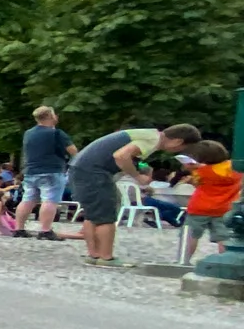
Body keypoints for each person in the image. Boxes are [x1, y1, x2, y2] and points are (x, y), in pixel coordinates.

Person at [67, 122, 202, 265]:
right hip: (95, 172)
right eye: (183, 148)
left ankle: (94, 255)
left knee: (93, 213)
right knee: (106, 215)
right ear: (178, 141)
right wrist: (137, 176)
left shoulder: (149, 134)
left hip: (81, 168)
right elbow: (121, 156)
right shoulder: (152, 140)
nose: (178, 152)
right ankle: (106, 257)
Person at [13, 106, 76, 240]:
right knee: (50, 200)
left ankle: (19, 228)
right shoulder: (56, 133)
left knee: (28, 200)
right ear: (51, 116)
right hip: (52, 170)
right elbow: (73, 151)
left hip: (30, 171)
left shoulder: (28, 133)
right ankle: (45, 230)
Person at [181, 139, 240, 263]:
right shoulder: (235, 168)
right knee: (223, 237)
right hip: (224, 208)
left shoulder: (201, 171)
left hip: (200, 207)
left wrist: (192, 172)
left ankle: (184, 260)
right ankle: (226, 262)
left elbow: (198, 184)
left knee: (191, 234)